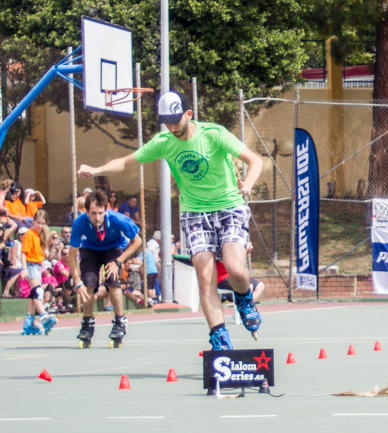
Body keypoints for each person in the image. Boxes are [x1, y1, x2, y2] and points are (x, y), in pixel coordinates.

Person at [77, 91, 264, 350]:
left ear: (188, 114)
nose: (172, 126)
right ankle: (219, 337)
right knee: (204, 275)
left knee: (235, 269)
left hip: (229, 206)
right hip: (194, 212)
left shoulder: (214, 133)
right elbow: (127, 162)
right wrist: (96, 170)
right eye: (167, 121)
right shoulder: (164, 141)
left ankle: (244, 299)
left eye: (176, 120)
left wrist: (248, 185)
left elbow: (255, 160)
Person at [68, 190, 144, 347]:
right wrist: (77, 281)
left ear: (106, 210)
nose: (97, 218)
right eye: (93, 213)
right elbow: (72, 254)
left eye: (101, 213)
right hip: (90, 248)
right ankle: (87, 324)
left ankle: (120, 321)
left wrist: (118, 261)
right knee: (89, 283)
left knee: (112, 280)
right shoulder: (79, 223)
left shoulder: (118, 219)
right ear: (86, 211)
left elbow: (138, 241)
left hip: (113, 248)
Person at [19, 210, 57, 334]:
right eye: (38, 223)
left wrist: (50, 247)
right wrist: (24, 268)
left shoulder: (40, 235)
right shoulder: (29, 234)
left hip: (37, 266)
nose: (40, 225)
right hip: (30, 265)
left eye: (42, 223)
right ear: (33, 221)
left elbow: (46, 255)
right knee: (38, 291)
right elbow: (23, 252)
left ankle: (29, 321)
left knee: (33, 294)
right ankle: (43, 316)